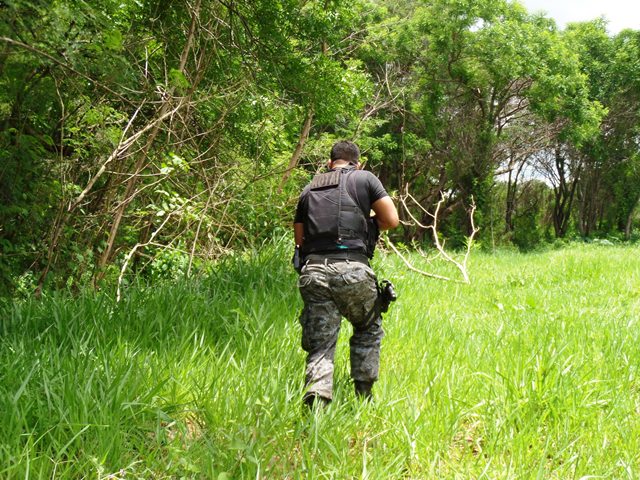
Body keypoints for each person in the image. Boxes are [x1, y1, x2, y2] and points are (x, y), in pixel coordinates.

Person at [293, 140, 399, 407]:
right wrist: (368, 223)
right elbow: (392, 220)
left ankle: (317, 396)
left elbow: (299, 239)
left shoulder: (309, 188)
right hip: (352, 269)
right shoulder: (366, 178)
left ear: (330, 164)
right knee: (368, 327)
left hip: (313, 273)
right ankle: (364, 397)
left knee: (322, 341)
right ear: (357, 163)